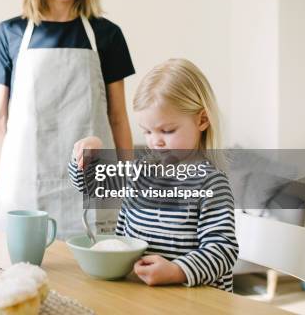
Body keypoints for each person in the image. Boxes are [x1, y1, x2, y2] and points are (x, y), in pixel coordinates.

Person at [0, 0, 135, 238]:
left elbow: (118, 117)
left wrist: (129, 183)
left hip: (93, 183)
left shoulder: (107, 35)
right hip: (23, 184)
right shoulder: (9, 34)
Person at [69, 59, 238, 291]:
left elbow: (223, 250)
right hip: (145, 297)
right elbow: (89, 184)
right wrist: (88, 153)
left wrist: (176, 271)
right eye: (147, 131)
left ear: (202, 120)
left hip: (196, 303)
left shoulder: (210, 182)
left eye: (167, 131)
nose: (155, 141)